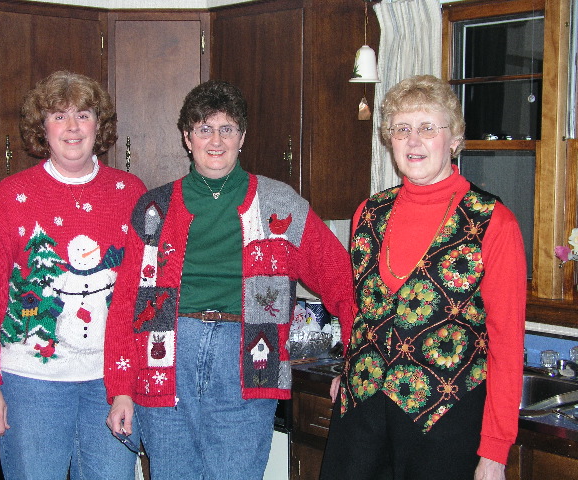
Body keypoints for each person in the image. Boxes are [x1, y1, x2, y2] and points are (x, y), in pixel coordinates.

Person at [104, 79, 355, 480]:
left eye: (227, 129)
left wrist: (356, 360)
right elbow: (125, 305)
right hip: (165, 358)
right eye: (204, 129)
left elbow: (341, 280)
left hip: (248, 358)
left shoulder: (279, 203)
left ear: (242, 136)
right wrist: (120, 387)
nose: (215, 140)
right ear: (187, 138)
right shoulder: (154, 206)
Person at [320, 75, 526, 480]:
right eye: (402, 129)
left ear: (453, 139)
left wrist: (495, 452)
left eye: (428, 128)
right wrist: (349, 367)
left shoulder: (492, 222)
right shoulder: (369, 213)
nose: (414, 141)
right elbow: (364, 308)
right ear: (390, 140)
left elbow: (506, 342)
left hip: (442, 419)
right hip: (361, 410)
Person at [0, 71, 148, 480]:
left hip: (110, 385)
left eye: (83, 115)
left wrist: (132, 384)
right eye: (58, 115)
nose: (72, 127)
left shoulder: (130, 193)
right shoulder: (10, 197)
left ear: (99, 125)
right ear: (41, 127)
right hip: (31, 385)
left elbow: (144, 296)